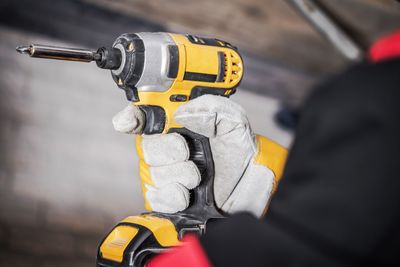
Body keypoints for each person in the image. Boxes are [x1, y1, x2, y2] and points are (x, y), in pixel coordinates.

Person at [112, 31, 400, 266]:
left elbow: (299, 251)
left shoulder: (370, 94)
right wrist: (278, 196)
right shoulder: (369, 88)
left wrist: (286, 221)